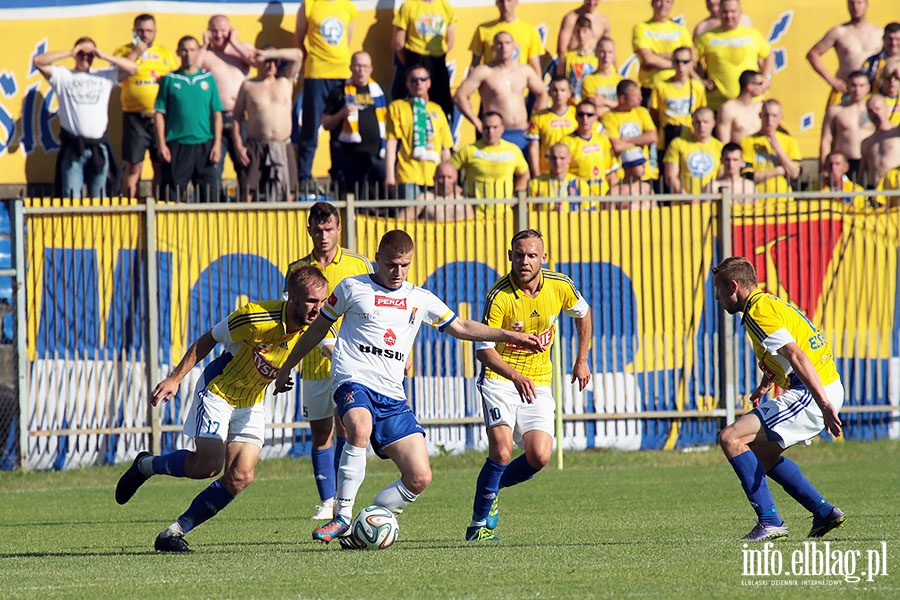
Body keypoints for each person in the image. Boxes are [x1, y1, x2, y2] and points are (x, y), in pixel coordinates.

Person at [272, 230, 543, 547]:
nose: (397, 272)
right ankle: (342, 517)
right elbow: (317, 329)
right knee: (358, 428)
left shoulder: (419, 298)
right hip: (353, 379)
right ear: (378, 259)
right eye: (391, 265)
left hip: (392, 394)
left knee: (419, 477)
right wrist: (287, 366)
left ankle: (368, 524)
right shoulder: (352, 287)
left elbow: (462, 327)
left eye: (404, 265)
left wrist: (510, 336)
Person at [115, 265, 330, 552]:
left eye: (323, 301)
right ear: (292, 298)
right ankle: (145, 465)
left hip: (252, 402)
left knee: (242, 476)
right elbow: (208, 338)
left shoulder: (318, 325)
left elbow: (329, 349)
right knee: (208, 466)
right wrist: (175, 378)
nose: (318, 308)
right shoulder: (255, 318)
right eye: (311, 301)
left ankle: (173, 533)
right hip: (218, 392)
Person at [466, 228, 591, 541]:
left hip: (537, 381)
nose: (525, 261)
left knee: (539, 456)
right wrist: (515, 376)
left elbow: (583, 314)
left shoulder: (560, 285)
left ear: (543, 258)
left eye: (532, 255)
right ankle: (477, 526)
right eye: (519, 255)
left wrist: (582, 358)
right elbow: (483, 350)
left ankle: (493, 489)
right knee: (502, 451)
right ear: (510, 256)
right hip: (500, 380)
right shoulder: (499, 296)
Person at [712, 256, 846, 542]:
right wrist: (765, 385)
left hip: (813, 392)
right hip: (818, 388)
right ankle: (823, 513)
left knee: (731, 438)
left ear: (734, 287)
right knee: (763, 453)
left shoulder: (757, 313)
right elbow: (780, 355)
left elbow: (795, 355)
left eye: (719, 289)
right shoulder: (766, 303)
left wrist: (823, 403)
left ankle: (770, 521)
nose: (717, 296)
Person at [285, 202, 372, 520]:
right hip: (314, 365)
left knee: (347, 430)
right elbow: (292, 315)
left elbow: (375, 311)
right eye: (318, 229)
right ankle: (327, 501)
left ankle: (343, 500)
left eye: (329, 229)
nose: (323, 235)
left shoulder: (357, 264)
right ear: (309, 229)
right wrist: (321, 344)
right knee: (321, 433)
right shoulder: (298, 269)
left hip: (351, 364)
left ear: (339, 229)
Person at [33, 38, 137, 199]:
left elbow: (133, 68)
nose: (86, 58)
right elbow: (38, 61)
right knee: (72, 198)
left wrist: (102, 55)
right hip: (74, 147)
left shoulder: (104, 75)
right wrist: (70, 52)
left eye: (90, 55)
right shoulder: (64, 76)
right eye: (82, 54)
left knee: (99, 199)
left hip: (99, 147)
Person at [295, 0, 358, 187]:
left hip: (341, 75)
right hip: (316, 75)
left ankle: (338, 177)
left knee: (341, 127)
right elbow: (299, 39)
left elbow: (347, 40)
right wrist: (311, 62)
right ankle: (304, 177)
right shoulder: (309, 5)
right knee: (311, 127)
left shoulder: (348, 7)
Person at [154, 36, 223, 203]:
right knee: (172, 196)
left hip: (203, 144)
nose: (188, 54)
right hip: (177, 145)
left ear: (198, 52)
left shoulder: (207, 79)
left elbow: (216, 114)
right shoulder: (170, 79)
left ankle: (209, 229)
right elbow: (159, 114)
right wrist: (162, 144)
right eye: (184, 50)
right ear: (178, 52)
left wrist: (217, 144)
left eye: (192, 50)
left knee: (209, 196)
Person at [455, 31, 548, 154]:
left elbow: (543, 93)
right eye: (499, 43)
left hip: (522, 133)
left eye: (507, 43)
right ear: (493, 48)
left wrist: (534, 122)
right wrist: (476, 122)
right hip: (496, 134)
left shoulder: (524, 70)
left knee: (524, 172)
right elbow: (459, 96)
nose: (503, 47)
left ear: (514, 46)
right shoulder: (484, 71)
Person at [115, 14, 177, 199]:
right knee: (134, 165)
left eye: (149, 31)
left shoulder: (165, 53)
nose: (145, 35)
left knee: (160, 164)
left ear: (155, 32)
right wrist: (136, 52)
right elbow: (118, 74)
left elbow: (174, 80)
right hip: (134, 116)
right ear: (134, 31)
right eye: (140, 31)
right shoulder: (122, 51)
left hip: (160, 117)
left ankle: (155, 205)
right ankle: (129, 204)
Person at [232, 46, 303, 202]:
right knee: (248, 192)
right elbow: (237, 118)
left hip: (283, 145)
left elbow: (298, 55)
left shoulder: (285, 80)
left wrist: (268, 54)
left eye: (274, 61)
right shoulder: (249, 86)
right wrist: (238, 146)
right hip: (256, 145)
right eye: (266, 61)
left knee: (289, 192)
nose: (271, 65)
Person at [199, 15, 257, 197]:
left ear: (231, 30)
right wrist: (203, 45)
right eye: (214, 31)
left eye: (223, 30)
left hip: (241, 118)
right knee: (214, 167)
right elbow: (193, 67)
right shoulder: (207, 54)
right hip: (216, 119)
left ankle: (247, 209)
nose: (219, 35)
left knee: (246, 166)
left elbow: (256, 61)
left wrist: (234, 42)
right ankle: (218, 206)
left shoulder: (242, 49)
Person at [321, 52, 389, 200]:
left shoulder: (381, 92)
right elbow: (325, 123)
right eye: (357, 66)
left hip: (378, 155)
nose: (361, 70)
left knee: (378, 198)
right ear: (351, 68)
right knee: (354, 199)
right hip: (350, 157)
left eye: (365, 66)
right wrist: (341, 114)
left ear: (371, 69)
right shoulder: (339, 92)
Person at [385, 65, 454, 199]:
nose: (419, 83)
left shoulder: (437, 110)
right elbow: (391, 144)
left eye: (423, 79)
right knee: (410, 217)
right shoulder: (397, 107)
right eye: (414, 80)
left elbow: (445, 148)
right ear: (407, 84)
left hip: (435, 176)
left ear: (429, 83)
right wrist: (390, 177)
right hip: (408, 175)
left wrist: (447, 176)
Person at [695, 0, 773, 112]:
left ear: (740, 12)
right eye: (725, 12)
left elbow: (769, 54)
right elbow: (689, 60)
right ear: (719, 13)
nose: (729, 16)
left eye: (733, 12)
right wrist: (700, 80)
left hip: (751, 103)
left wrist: (767, 77)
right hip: (718, 105)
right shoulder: (706, 38)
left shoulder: (752, 35)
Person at [805, 0, 882, 109]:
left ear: (867, 5)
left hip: (872, 91)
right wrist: (831, 80)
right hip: (846, 90)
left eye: (859, 3)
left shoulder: (879, 33)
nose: (855, 7)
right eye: (851, 3)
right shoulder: (839, 32)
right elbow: (813, 54)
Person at [391, 0, 456, 122]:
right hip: (415, 58)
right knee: (408, 107)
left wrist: (438, 57)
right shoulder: (409, 6)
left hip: (437, 62)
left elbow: (450, 39)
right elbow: (399, 42)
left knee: (441, 107)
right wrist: (409, 66)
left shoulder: (445, 6)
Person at [450, 112, 530, 211]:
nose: (490, 132)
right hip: (476, 214)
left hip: (504, 213)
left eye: (494, 127)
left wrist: (517, 195)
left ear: (502, 128)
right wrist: (456, 191)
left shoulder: (513, 150)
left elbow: (524, 174)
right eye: (486, 128)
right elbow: (447, 170)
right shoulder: (469, 150)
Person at [632, 0, 693, 106]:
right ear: (652, 3)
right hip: (651, 87)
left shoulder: (680, 29)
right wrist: (678, 63)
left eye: (667, 2)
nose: (663, 5)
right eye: (659, 1)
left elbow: (691, 57)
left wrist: (659, 56)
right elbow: (648, 59)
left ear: (672, 5)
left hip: (677, 89)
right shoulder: (641, 28)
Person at [649, 46, 707, 156]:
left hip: (689, 136)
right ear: (672, 63)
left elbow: (701, 112)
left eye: (685, 62)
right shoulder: (661, 86)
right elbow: (654, 114)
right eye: (677, 62)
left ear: (691, 63)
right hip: (667, 136)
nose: (681, 66)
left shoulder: (697, 87)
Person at [601, 79, 659, 183]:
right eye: (635, 96)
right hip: (623, 175)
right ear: (622, 98)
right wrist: (641, 140)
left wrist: (627, 140)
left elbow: (653, 137)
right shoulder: (609, 117)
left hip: (644, 174)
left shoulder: (642, 112)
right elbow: (617, 146)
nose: (640, 98)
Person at [818, 71, 874, 178]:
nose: (857, 89)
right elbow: (826, 140)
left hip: (868, 162)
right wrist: (824, 167)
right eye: (853, 85)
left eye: (861, 85)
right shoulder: (835, 111)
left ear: (868, 87)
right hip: (843, 162)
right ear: (847, 86)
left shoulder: (874, 110)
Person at [740, 99, 801, 194]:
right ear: (760, 116)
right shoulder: (747, 141)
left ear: (781, 118)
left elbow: (794, 173)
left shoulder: (790, 141)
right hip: (757, 199)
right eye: (766, 115)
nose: (770, 120)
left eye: (774, 116)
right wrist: (777, 171)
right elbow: (748, 176)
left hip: (783, 199)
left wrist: (777, 148)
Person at [469, 0, 544, 74]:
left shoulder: (530, 30)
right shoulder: (483, 29)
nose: (505, 5)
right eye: (502, 1)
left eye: (509, 0)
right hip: (492, 84)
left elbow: (535, 65)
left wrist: (539, 85)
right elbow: (475, 64)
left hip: (520, 84)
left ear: (516, 2)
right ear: (497, 3)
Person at [562, 99, 618, 194]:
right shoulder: (566, 142)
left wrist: (614, 194)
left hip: (602, 194)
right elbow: (563, 174)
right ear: (576, 117)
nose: (585, 118)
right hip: (579, 196)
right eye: (581, 114)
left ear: (595, 118)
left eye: (589, 115)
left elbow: (610, 172)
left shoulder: (603, 139)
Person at [663, 107, 722, 194]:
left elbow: (721, 178)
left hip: (711, 203)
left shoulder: (720, 147)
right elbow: (670, 177)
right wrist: (688, 199)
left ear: (713, 123)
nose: (701, 126)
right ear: (692, 123)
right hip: (683, 205)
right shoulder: (677, 143)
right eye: (698, 122)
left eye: (705, 122)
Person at [526, 77, 577, 177]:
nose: (558, 94)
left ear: (569, 93)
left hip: (572, 173)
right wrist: (536, 174)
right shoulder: (539, 117)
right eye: (555, 90)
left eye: (562, 90)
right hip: (546, 172)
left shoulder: (577, 114)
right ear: (549, 92)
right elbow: (533, 148)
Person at [528, 143, 595, 211]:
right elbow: (526, 213)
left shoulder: (580, 184)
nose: (557, 162)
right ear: (548, 159)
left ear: (569, 159)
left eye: (562, 158)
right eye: (554, 158)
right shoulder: (535, 183)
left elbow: (590, 213)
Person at [398, 161, 475, 221]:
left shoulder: (464, 203)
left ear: (456, 179)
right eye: (441, 177)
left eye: (449, 177)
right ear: (434, 179)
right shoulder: (425, 198)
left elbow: (471, 229)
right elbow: (401, 220)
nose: (445, 181)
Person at [859, 94, 900, 188]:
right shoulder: (866, 142)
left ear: (886, 108)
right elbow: (862, 172)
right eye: (870, 110)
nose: (875, 113)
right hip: (871, 187)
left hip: (892, 186)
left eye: (878, 109)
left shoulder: (897, 132)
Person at [715, 70, 764, 144]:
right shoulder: (728, 109)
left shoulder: (761, 107)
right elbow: (723, 142)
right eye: (760, 84)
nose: (763, 87)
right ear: (749, 86)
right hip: (740, 152)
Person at [558, 16, 598, 100]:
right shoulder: (567, 57)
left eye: (584, 31)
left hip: (590, 104)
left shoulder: (597, 57)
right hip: (572, 103)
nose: (581, 35)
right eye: (578, 31)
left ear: (591, 32)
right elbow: (559, 80)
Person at [580, 37, 622, 114]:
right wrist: (616, 106)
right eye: (602, 52)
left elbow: (626, 106)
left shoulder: (620, 80)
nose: (606, 56)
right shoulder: (589, 80)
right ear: (596, 53)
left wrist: (604, 102)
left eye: (610, 52)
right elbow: (595, 111)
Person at [862, 23, 900, 93]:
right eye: (890, 39)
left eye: (897, 39)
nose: (893, 43)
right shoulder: (871, 62)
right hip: (875, 101)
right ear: (883, 39)